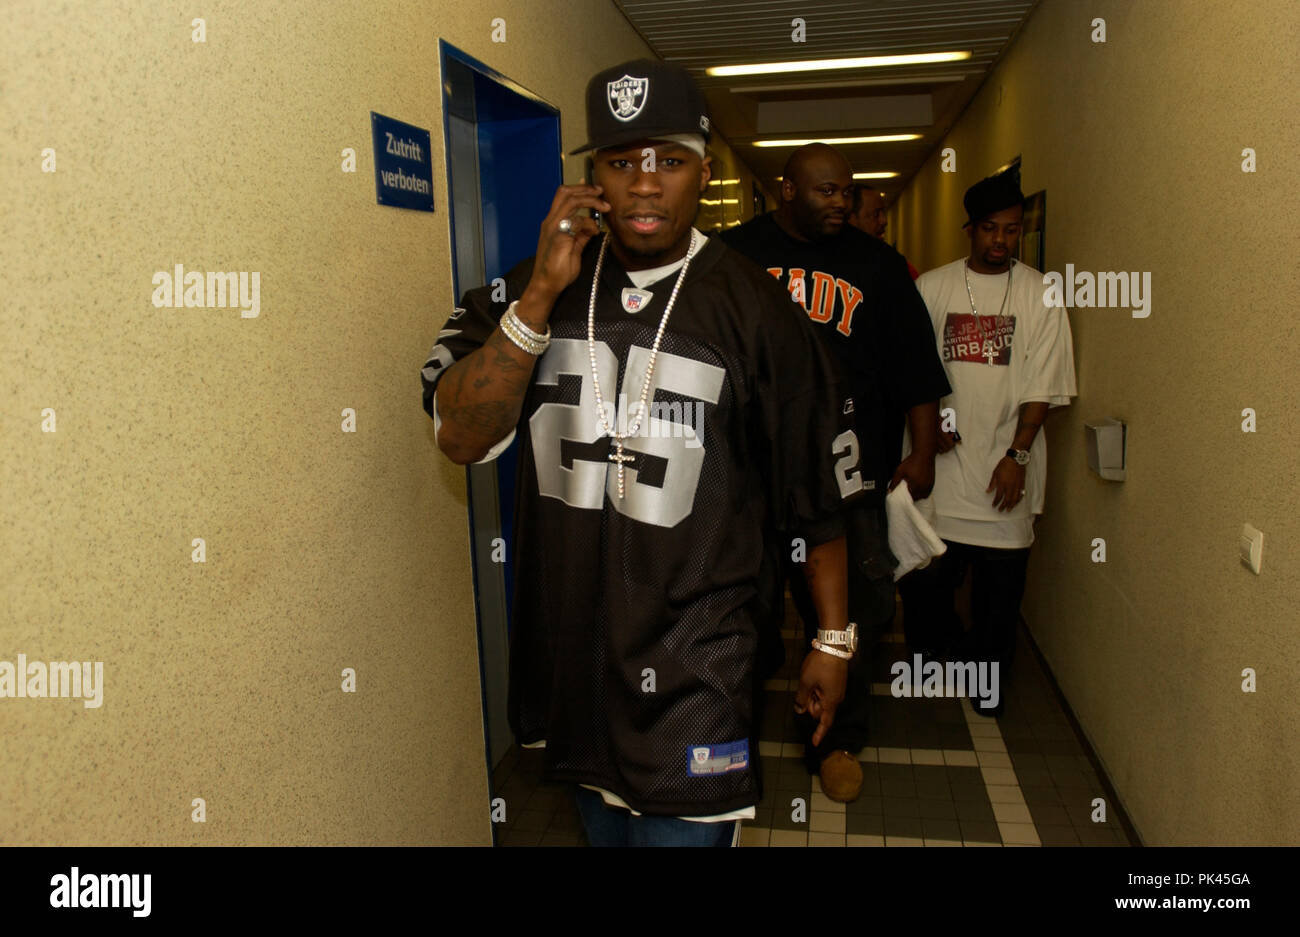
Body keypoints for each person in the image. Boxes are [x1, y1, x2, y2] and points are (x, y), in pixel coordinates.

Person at [421, 59, 856, 846]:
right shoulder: (530, 290)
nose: (645, 186)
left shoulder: (757, 308)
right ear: (592, 177)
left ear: (704, 171)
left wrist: (832, 638)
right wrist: (539, 298)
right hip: (576, 666)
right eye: (622, 163)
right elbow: (460, 435)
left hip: (702, 672)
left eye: (669, 162)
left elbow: (811, 492)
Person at [722, 143, 950, 801]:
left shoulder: (878, 268)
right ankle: (731, 727)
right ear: (786, 190)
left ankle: (837, 738)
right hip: (754, 478)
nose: (841, 203)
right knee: (744, 610)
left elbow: (917, 370)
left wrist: (924, 451)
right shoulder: (734, 257)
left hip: (850, 475)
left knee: (859, 614)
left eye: (847, 192)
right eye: (826, 191)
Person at [897, 171, 1077, 718]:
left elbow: (1044, 384)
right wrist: (930, 431)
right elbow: (911, 370)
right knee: (928, 583)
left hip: (1007, 471)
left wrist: (1017, 455)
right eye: (990, 230)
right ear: (969, 230)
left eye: (1012, 231)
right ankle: (932, 666)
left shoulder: (1041, 293)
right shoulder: (932, 287)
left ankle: (987, 681)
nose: (1000, 241)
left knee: (1000, 595)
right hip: (942, 468)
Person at [848, 185, 919, 279]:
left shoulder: (896, 264)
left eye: (883, 212)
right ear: (851, 218)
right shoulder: (831, 265)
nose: (884, 221)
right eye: (876, 214)